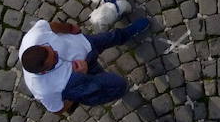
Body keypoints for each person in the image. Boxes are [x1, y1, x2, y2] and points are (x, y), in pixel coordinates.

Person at [18, 16, 150, 113]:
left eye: (50, 48)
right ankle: (117, 91)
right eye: (55, 58)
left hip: (84, 45)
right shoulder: (43, 90)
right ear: (43, 72)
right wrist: (77, 90)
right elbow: (57, 110)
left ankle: (126, 33)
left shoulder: (33, 37)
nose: (56, 52)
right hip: (80, 82)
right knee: (118, 85)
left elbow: (50, 25)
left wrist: (70, 28)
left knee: (110, 37)